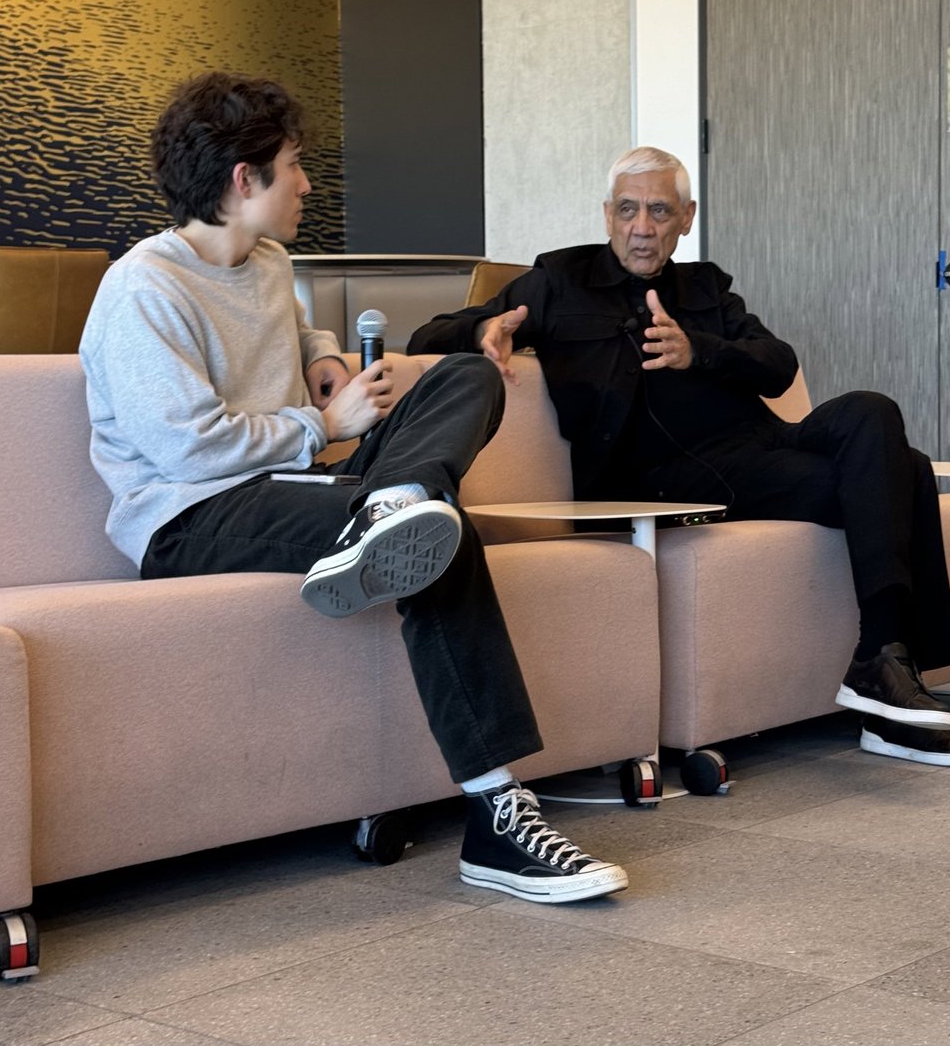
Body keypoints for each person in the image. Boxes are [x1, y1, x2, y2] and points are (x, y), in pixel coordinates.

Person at [78, 71, 628, 903]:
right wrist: (324, 427)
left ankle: (390, 504)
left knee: (467, 380)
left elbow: (297, 330)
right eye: (295, 165)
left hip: (295, 486)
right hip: (189, 518)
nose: (305, 182)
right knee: (440, 531)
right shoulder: (142, 289)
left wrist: (323, 359)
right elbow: (188, 451)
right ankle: (497, 818)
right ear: (243, 179)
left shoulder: (265, 259)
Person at [408, 146, 950, 768]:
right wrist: (483, 332)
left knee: (873, 412)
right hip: (669, 476)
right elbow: (431, 333)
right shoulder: (560, 281)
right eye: (629, 209)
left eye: (660, 210)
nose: (642, 227)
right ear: (608, 214)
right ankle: (891, 681)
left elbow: (779, 367)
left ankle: (884, 666)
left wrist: (702, 350)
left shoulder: (706, 287)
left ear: (686, 217)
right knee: (903, 470)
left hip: (761, 447)